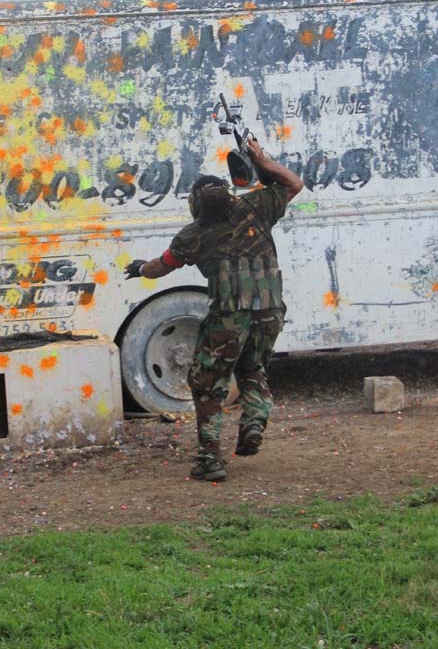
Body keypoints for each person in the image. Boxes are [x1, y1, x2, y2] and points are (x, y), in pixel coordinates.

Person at [124, 138, 304, 482]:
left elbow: (162, 266)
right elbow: (294, 183)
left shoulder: (193, 235)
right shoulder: (257, 206)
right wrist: (261, 161)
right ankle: (255, 417)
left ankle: (210, 460)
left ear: (195, 205)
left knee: (208, 383)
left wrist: (140, 268)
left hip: (229, 318)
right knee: (252, 368)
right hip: (270, 312)